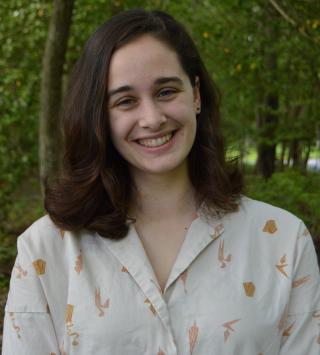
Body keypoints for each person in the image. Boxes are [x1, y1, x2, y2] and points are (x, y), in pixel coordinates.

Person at [2, 9, 320, 355]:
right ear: (99, 116)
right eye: (125, 101)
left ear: (195, 95)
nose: (152, 119)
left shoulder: (284, 241)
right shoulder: (45, 250)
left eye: (166, 91)